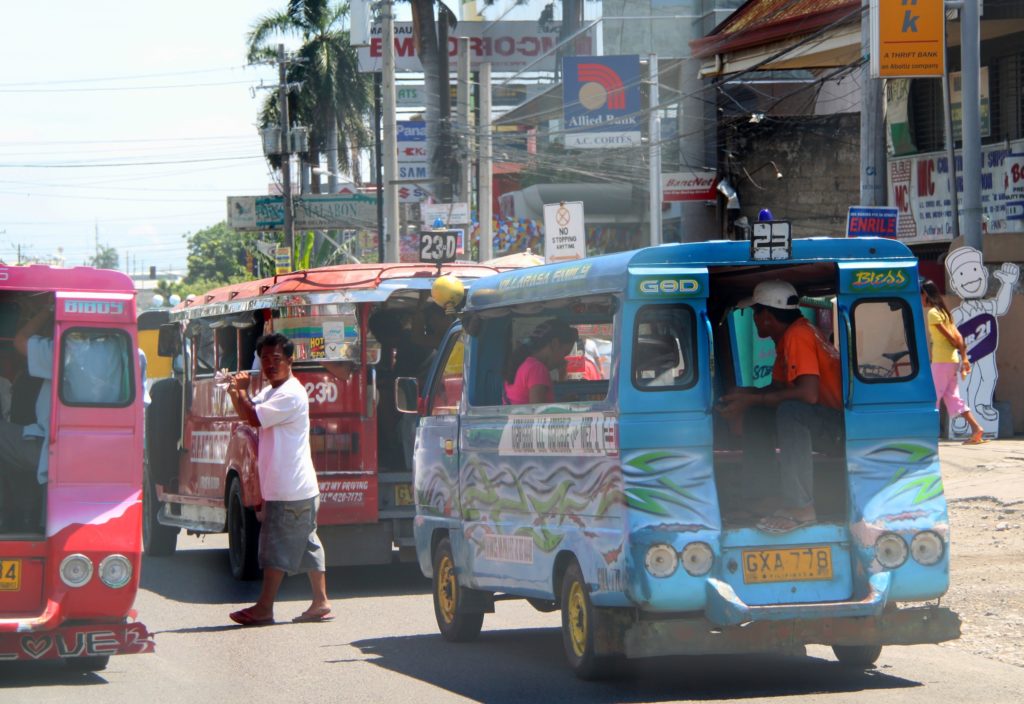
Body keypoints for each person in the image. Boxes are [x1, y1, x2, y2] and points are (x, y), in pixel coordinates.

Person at [717, 280, 843, 534]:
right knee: (757, 415)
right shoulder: (790, 336)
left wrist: (751, 399)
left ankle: (802, 507)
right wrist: (744, 396)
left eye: (754, 313)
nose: (753, 320)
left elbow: (807, 395)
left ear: (765, 316)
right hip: (822, 421)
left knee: (791, 412)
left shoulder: (798, 334)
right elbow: (777, 390)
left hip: (838, 427)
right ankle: (760, 500)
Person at [225, 333, 332, 626]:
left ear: (290, 361)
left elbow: (254, 417)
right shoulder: (274, 390)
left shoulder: (289, 394)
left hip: (289, 488)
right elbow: (247, 413)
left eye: (277, 359)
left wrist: (242, 391)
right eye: (266, 360)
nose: (271, 365)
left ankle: (265, 607)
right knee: (307, 544)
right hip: (296, 486)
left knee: (274, 548)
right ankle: (320, 601)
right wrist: (236, 392)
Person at [0, 300, 53, 531]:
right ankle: (25, 515)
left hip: (48, 445)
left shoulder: (59, 349)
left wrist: (47, 309)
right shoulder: (129, 352)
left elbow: (21, 340)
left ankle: (9, 516)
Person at [920, 278, 986, 445]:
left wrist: (962, 356)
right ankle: (977, 429)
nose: (920, 299)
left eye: (920, 295)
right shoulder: (945, 313)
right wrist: (963, 359)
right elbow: (959, 337)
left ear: (926, 294)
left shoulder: (933, 314)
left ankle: (926, 435)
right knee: (953, 399)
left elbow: (952, 338)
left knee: (932, 397)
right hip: (951, 361)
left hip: (942, 361)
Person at [503, 319, 580, 404]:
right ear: (555, 344)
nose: (563, 360)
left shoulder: (524, 364)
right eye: (565, 353)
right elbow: (539, 414)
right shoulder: (537, 369)